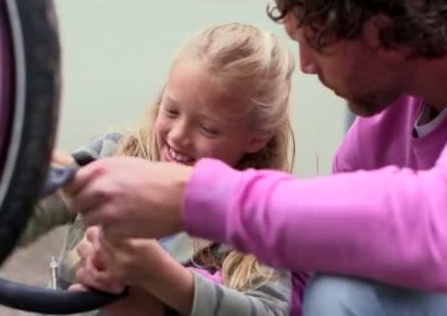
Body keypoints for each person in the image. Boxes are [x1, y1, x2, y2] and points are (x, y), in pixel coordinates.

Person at [63, 0, 447, 315]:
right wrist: (159, 279)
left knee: (347, 294)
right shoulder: (378, 133)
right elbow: (296, 291)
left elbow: (446, 229)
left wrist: (193, 198)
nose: (304, 65)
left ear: (378, 32)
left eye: (311, 41)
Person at [21, 22, 306, 315]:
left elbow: (270, 310)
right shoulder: (113, 157)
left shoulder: (258, 224)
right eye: (170, 110)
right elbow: (23, 221)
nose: (178, 135)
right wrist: (36, 185)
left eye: (207, 128)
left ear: (256, 138)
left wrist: (161, 277)